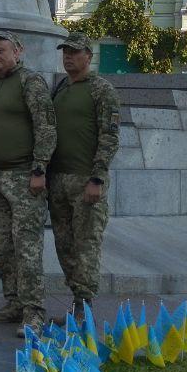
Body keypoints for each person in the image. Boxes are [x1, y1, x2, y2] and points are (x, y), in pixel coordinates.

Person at [0, 31, 56, 337]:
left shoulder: (30, 82)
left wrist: (39, 169)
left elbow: (46, 127)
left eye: (0, 51)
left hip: (24, 177)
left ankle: (33, 312)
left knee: (27, 248)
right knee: (1, 247)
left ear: (18, 51)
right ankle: (12, 302)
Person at [47, 32, 120, 313]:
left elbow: (110, 137)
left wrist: (97, 178)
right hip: (58, 181)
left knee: (86, 245)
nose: (68, 57)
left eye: (74, 52)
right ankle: (75, 297)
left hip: (86, 180)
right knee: (64, 245)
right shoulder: (61, 87)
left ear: (88, 56)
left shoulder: (101, 89)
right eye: (65, 52)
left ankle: (84, 307)